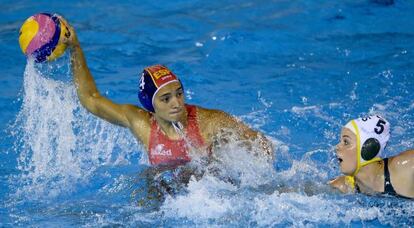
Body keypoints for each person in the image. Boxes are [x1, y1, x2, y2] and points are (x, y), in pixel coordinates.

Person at [60, 18, 274, 172]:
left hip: (205, 196)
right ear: (149, 104)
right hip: (165, 193)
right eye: (166, 98)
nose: (177, 103)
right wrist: (75, 48)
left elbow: (260, 142)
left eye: (179, 93)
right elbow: (91, 99)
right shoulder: (142, 124)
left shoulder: (208, 122)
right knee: (149, 179)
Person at [329, 115, 414, 199]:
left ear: (368, 148)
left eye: (346, 142)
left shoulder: (407, 166)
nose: (337, 147)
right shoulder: (345, 186)